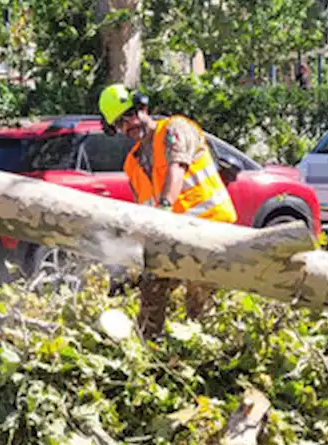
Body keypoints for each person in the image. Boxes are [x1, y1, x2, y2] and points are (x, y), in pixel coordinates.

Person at [98, 84, 237, 340]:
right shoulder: (133, 162)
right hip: (172, 236)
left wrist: (163, 211)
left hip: (208, 230)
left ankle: (204, 353)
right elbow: (143, 209)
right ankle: (149, 349)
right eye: (119, 124)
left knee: (199, 304)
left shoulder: (174, 130)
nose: (127, 126)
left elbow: (177, 169)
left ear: (142, 107)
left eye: (128, 116)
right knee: (151, 288)